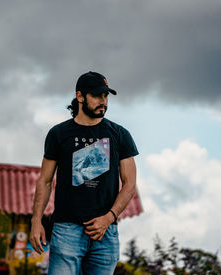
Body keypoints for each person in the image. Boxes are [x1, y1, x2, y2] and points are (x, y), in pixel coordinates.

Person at [30, 71, 139, 275]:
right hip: (66, 230)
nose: (103, 102)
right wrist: (36, 222)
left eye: (106, 96)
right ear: (80, 96)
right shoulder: (58, 134)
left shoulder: (120, 135)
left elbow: (130, 183)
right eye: (97, 95)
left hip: (105, 234)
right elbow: (44, 181)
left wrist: (108, 218)